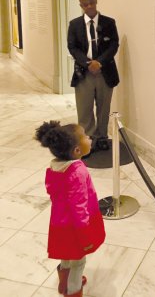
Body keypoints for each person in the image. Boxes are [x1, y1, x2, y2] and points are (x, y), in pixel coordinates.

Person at [35, 120, 105, 297]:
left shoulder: (54, 167)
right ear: (77, 150)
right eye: (85, 137)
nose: (89, 138)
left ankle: (63, 283)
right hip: (76, 225)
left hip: (59, 221)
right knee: (78, 261)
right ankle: (73, 290)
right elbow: (79, 206)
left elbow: (52, 192)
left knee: (66, 254)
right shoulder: (77, 171)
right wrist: (85, 233)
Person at [67, 0, 119, 153]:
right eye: (85, 4)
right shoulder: (74, 25)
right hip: (84, 73)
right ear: (81, 6)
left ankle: (102, 137)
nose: (89, 6)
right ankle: (87, 140)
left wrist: (100, 62)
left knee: (104, 107)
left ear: (96, 1)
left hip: (105, 72)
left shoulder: (109, 22)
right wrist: (88, 63)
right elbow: (72, 46)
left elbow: (114, 45)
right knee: (84, 109)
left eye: (91, 2)